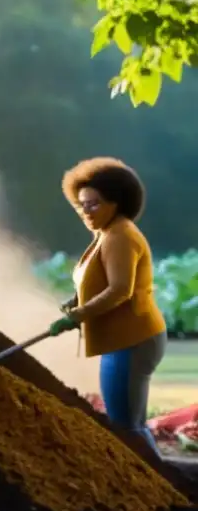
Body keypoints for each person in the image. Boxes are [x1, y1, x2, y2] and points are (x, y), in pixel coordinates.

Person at [48, 157, 166, 454]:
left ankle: (161, 487)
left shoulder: (120, 236)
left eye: (94, 204)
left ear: (116, 202)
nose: (86, 212)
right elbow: (101, 280)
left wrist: (78, 315)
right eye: (81, 205)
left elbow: (119, 290)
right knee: (126, 421)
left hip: (132, 340)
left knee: (128, 426)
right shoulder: (105, 234)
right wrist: (78, 300)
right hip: (121, 340)